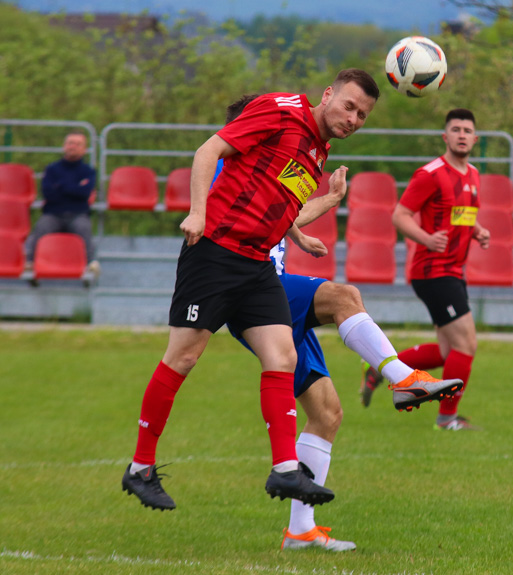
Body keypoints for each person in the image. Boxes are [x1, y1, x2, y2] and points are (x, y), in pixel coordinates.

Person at [120, 69, 389, 512]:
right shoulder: (280, 110)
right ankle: (140, 468)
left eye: (363, 115)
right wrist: (198, 212)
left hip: (256, 263)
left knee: (282, 355)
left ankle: (285, 469)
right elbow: (210, 149)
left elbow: (277, 203)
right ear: (328, 95)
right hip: (214, 252)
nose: (354, 118)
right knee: (183, 357)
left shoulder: (318, 150)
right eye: (349, 106)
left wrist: (303, 233)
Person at [217, 94, 462, 551]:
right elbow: (242, 214)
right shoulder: (228, 165)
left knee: (327, 415)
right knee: (343, 296)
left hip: (272, 293)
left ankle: (300, 530)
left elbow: (282, 211)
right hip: (252, 292)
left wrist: (323, 205)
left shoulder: (267, 166)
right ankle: (401, 377)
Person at [363, 109, 490, 431]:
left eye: (467, 130)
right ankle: (447, 419)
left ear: (475, 139)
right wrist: (426, 238)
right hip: (433, 271)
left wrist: (477, 230)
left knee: (450, 351)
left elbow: (459, 215)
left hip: (453, 271)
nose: (462, 134)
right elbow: (400, 215)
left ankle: (380, 368)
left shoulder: (473, 174)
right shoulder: (430, 174)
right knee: (467, 345)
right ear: (445, 137)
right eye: (456, 129)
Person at [24, 130, 100, 276]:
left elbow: (84, 193)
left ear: (84, 149)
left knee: (84, 228)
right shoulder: (52, 169)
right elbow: (48, 193)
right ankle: (30, 262)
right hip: (53, 213)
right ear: (64, 146)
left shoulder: (88, 171)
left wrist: (61, 186)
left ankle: (91, 263)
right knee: (42, 227)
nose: (73, 146)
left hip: (78, 214)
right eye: (71, 143)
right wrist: (75, 187)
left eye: (78, 144)